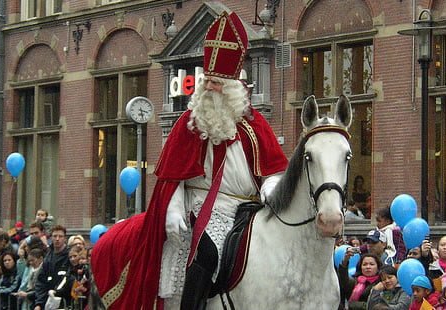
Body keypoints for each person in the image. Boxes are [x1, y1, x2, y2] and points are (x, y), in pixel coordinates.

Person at [91, 11, 288, 310]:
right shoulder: (189, 123)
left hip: (248, 210)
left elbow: (273, 168)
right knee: (207, 253)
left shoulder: (254, 124)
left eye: (217, 83)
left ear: (234, 86)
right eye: (208, 81)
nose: (209, 87)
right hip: (197, 206)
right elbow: (171, 178)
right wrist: (171, 208)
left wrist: (272, 186)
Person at [33, 225, 70, 310]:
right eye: (55, 236)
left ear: (65, 238)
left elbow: (69, 278)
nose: (57, 239)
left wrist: (57, 292)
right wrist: (39, 303)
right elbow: (41, 281)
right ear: (51, 238)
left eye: (60, 236)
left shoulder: (69, 256)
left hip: (64, 301)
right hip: (49, 302)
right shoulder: (48, 258)